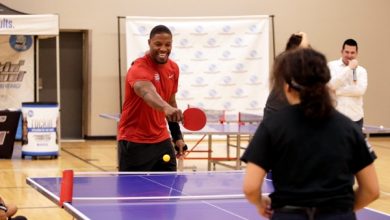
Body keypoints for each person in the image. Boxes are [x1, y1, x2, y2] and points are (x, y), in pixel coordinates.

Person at [241, 48, 379, 220]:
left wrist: (260, 203)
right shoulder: (349, 128)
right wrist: (341, 210)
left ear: (287, 86)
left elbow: (251, 187)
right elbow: (372, 189)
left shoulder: (272, 126)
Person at [117, 25, 186, 171]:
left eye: (168, 45)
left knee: (171, 189)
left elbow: (170, 101)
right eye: (158, 44)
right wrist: (165, 107)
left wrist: (177, 136)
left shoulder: (173, 68)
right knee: (133, 192)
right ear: (149, 43)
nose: (163, 49)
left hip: (162, 140)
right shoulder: (138, 68)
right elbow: (146, 91)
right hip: (134, 141)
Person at [263, 32, 310, 120]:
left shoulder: (285, 58)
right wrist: (304, 35)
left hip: (284, 108)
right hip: (276, 108)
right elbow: (303, 50)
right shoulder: (285, 58)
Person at [328, 39, 367, 128]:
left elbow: (359, 91)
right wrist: (349, 68)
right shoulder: (331, 66)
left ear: (357, 53)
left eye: (352, 53)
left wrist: (337, 91)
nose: (349, 55)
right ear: (342, 51)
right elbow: (331, 85)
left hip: (356, 118)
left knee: (355, 142)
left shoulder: (362, 71)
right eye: (347, 52)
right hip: (336, 116)